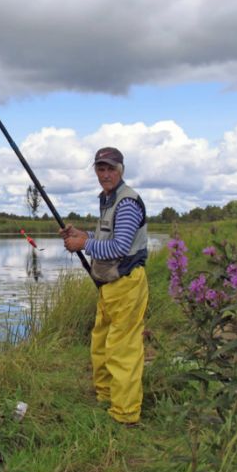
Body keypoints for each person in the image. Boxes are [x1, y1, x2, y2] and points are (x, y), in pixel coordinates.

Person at [60, 147, 149, 425]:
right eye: (101, 168)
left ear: (121, 170)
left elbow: (120, 246)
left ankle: (125, 415)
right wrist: (82, 235)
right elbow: (108, 237)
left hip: (127, 284)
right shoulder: (108, 199)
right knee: (101, 342)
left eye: (111, 168)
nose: (105, 174)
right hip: (109, 286)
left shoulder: (126, 203)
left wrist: (83, 244)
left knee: (122, 349)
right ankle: (107, 397)